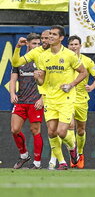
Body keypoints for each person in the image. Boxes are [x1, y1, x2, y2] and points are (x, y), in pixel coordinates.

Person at [34, 25, 87, 170]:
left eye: (54, 35)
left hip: (66, 98)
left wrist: (71, 84)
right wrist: (37, 78)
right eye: (49, 34)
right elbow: (42, 81)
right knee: (51, 131)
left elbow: (83, 72)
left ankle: (72, 147)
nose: (50, 37)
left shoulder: (69, 55)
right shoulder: (43, 56)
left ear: (61, 38)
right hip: (50, 98)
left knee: (62, 132)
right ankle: (62, 162)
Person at [10, 33, 44, 170]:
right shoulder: (20, 61)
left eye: (38, 44)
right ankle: (24, 155)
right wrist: (12, 93)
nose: (37, 46)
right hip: (21, 100)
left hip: (35, 101)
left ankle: (37, 162)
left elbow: (48, 82)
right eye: (34, 43)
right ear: (27, 44)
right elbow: (13, 79)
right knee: (15, 129)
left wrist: (42, 98)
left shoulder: (42, 60)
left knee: (35, 130)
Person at [67, 35, 95, 169]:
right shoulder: (64, 60)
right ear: (68, 46)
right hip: (66, 99)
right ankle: (72, 154)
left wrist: (92, 87)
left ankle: (80, 154)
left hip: (81, 99)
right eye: (71, 44)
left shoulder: (87, 61)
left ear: (80, 46)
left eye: (76, 44)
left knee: (80, 130)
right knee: (69, 127)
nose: (74, 47)